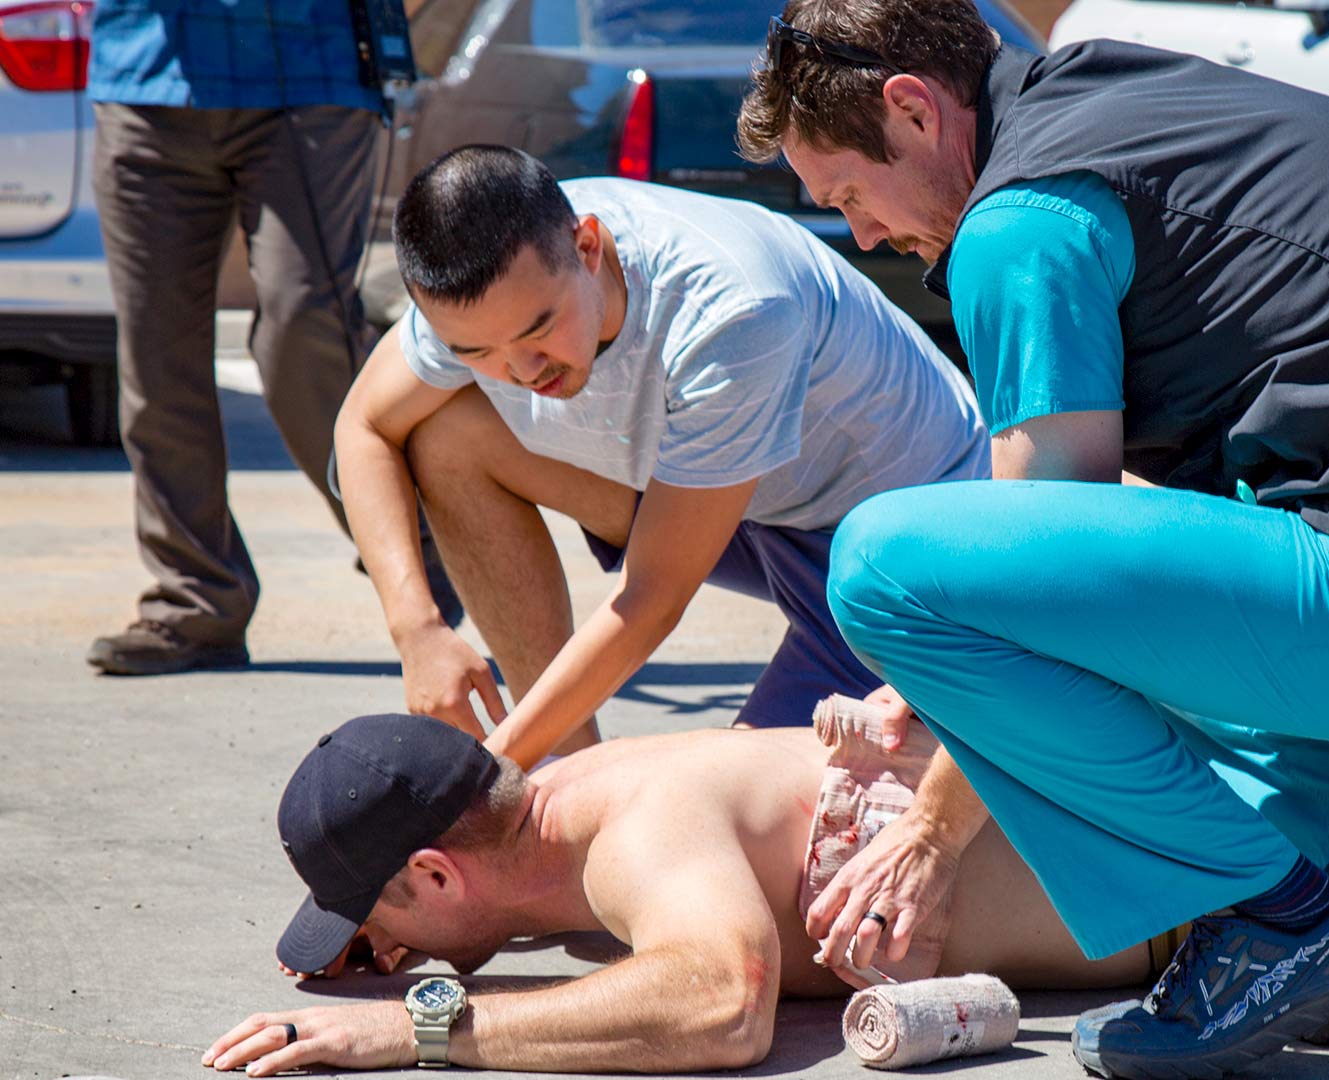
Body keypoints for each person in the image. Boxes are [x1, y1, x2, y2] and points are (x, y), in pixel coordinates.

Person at [734, 2, 1329, 1073]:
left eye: (848, 192)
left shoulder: (1021, 219)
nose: (862, 235)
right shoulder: (1126, 105)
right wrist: (957, 674)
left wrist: (933, 819)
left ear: (913, 108)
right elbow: (1111, 568)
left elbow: (1045, 572)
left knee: (883, 564)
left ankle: (1272, 921)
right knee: (1150, 567)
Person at [202, 664, 1329, 1075]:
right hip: (1229, 830)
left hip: (1265, 885)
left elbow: (718, 1004)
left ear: (435, 873)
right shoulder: (593, 786)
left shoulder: (640, 840)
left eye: (373, 930)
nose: (369, 961)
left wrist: (419, 1034)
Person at [331, 146, 985, 757]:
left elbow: (651, 601)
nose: (521, 369)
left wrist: (490, 773)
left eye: (539, 330)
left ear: (586, 245)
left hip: (894, 546)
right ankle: (561, 780)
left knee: (723, 816)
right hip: (734, 501)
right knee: (449, 436)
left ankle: (542, 799)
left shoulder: (731, 309)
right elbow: (362, 425)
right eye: (476, 354)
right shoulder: (487, 285)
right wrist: (417, 633)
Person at [83, 0, 460, 675]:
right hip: (146, 76)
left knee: (300, 325)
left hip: (308, 72)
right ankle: (196, 600)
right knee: (155, 353)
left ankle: (415, 551)